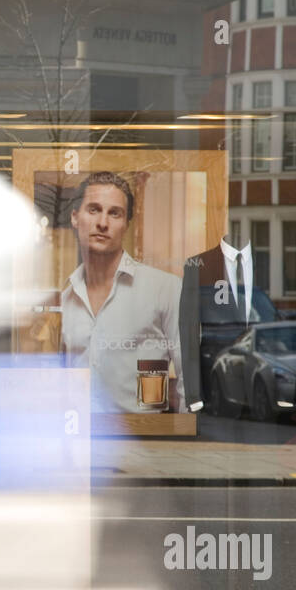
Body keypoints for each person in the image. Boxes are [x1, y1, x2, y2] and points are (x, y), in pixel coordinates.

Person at [59, 172, 185, 413]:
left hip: (144, 441)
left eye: (114, 213)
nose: (103, 223)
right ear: (75, 217)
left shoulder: (165, 289)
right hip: (79, 441)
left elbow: (189, 382)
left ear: (126, 224)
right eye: (94, 210)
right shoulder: (66, 300)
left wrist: (184, 444)